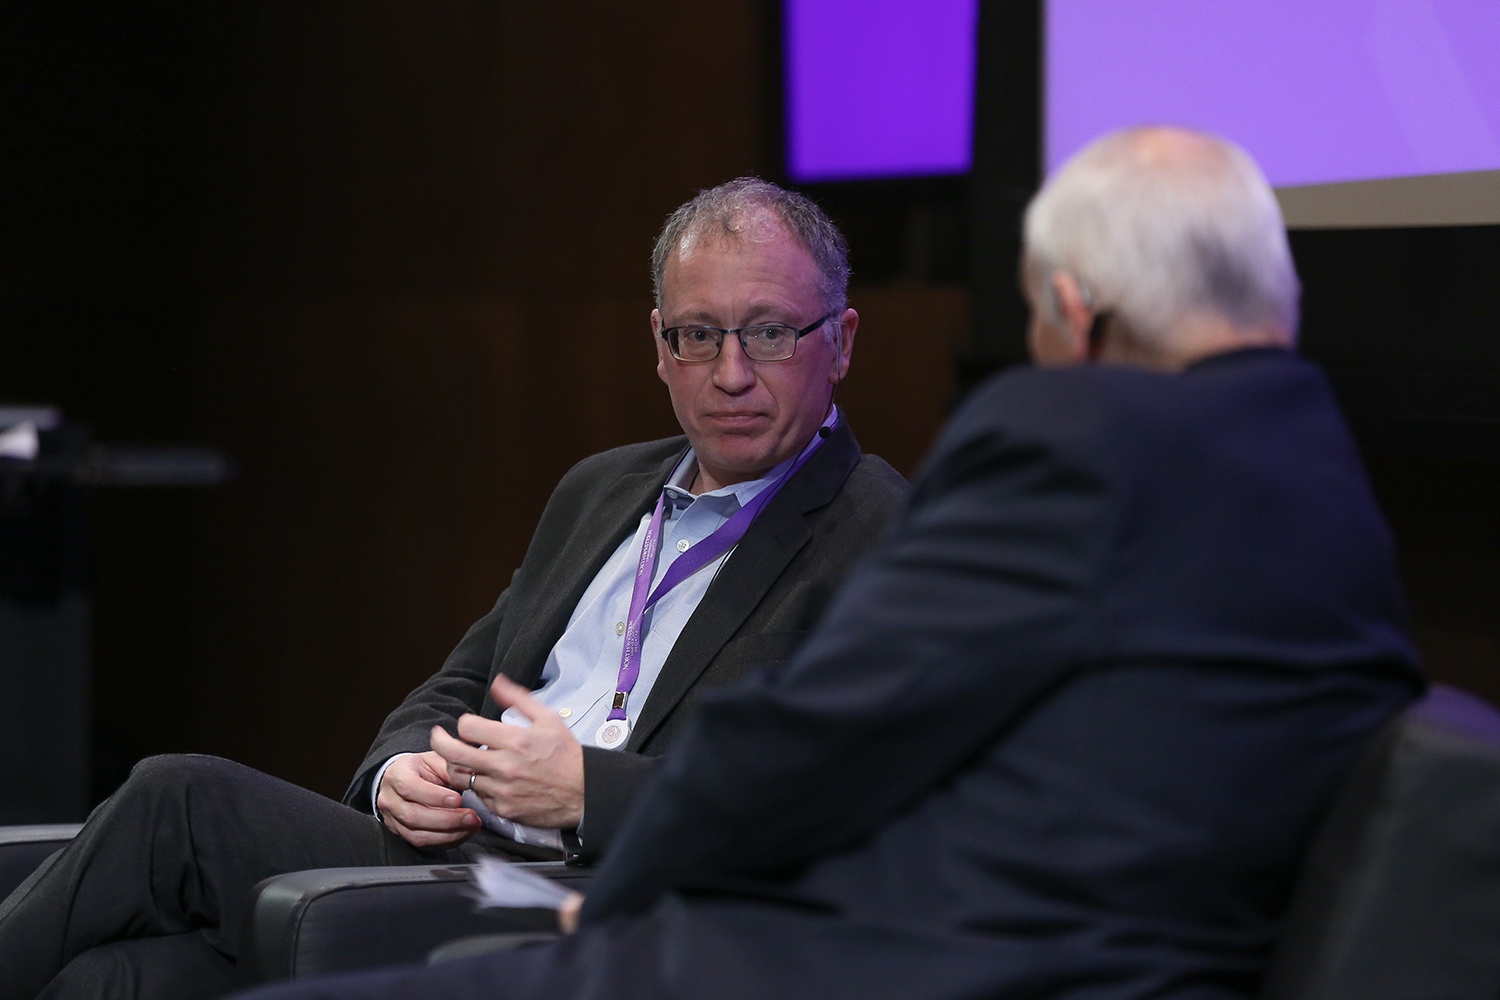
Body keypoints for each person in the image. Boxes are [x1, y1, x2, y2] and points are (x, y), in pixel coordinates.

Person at [240, 126, 1424, 1000]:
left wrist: (608, 853)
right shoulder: (1330, 479)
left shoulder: (1066, 440)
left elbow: (820, 738)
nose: (731, 369)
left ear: (1078, 312)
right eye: (698, 337)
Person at [0, 178, 908, 1000]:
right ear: (660, 346)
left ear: (842, 341)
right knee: (120, 979)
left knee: (176, 796)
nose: (732, 373)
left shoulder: (883, 537)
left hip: (607, 895)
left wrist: (590, 791)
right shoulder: (602, 489)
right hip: (448, 852)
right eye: (699, 335)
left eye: (771, 332)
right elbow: (454, 688)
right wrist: (397, 770)